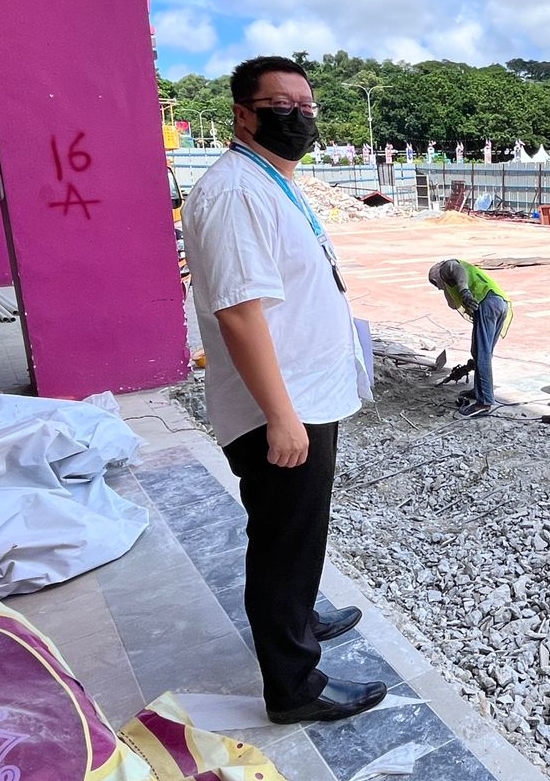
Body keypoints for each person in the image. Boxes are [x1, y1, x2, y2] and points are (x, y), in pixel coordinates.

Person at [182, 55, 385, 725]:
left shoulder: (272, 182)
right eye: (281, 106)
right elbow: (240, 314)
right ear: (243, 114)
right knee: (281, 541)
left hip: (306, 395)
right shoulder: (235, 191)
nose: (299, 116)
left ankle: (298, 616)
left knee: (298, 533)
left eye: (307, 106)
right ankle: (294, 686)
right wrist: (281, 415)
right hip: (283, 404)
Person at [428, 260, 512, 416]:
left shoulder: (447, 267)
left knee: (482, 353)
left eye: (435, 283)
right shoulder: (453, 279)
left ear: (437, 275)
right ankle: (480, 390)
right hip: (500, 303)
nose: (438, 287)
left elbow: (456, 269)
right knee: (480, 352)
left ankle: (484, 402)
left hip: (486, 303)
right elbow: (453, 304)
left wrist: (464, 291)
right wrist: (454, 290)